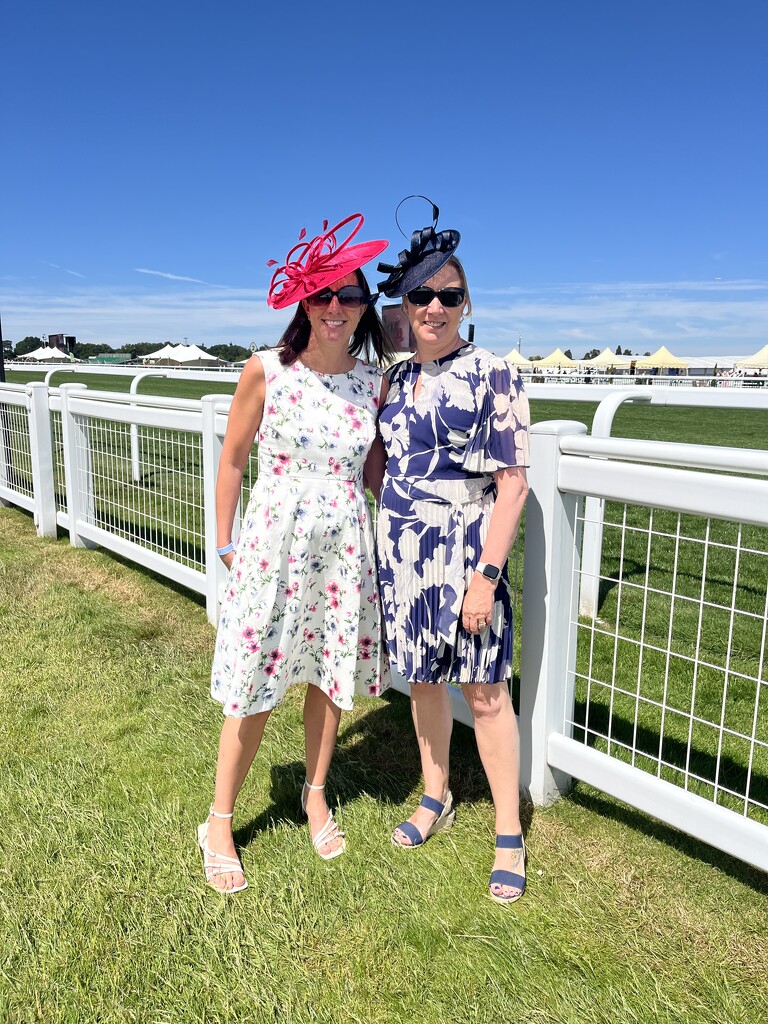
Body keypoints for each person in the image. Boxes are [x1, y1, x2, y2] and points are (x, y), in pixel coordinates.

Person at [198, 214, 392, 892]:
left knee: (327, 676)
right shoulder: (267, 371)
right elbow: (232, 460)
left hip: (342, 550)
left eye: (349, 295)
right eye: (323, 295)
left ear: (365, 306)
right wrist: (225, 541)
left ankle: (314, 793)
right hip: (272, 544)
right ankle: (219, 818)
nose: (335, 308)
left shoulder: (374, 383)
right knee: (254, 684)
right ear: (303, 302)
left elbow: (375, 476)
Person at [373, 199, 531, 905]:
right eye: (422, 294)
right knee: (424, 682)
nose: (435, 307)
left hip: (468, 552)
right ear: (405, 303)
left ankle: (509, 830)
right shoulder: (397, 377)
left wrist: (485, 576)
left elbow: (513, 485)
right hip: (405, 554)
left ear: (466, 303)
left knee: (487, 692)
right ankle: (435, 794)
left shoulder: (494, 372)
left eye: (449, 295)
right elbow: (381, 461)